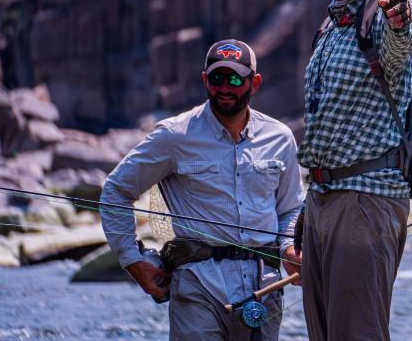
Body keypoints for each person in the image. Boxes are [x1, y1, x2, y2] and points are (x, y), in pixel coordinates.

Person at [100, 40, 303, 341]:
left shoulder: (281, 138)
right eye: (217, 78)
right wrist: (133, 261)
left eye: (235, 79)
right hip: (197, 288)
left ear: (254, 83)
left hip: (265, 290)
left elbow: (290, 208)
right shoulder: (173, 135)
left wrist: (290, 248)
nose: (225, 87)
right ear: (204, 80)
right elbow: (116, 191)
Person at [297, 0, 412, 340]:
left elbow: (399, 43)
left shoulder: (386, 15)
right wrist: (304, 212)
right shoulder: (331, 25)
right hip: (321, 201)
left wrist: (400, 22)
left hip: (367, 201)